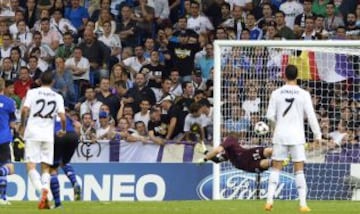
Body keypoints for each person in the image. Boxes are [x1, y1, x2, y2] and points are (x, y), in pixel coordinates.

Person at [265, 65, 321, 212]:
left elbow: (269, 116)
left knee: (276, 168)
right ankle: (303, 204)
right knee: (299, 170)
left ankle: (269, 201)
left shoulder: (276, 93)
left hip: (280, 135)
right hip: (297, 136)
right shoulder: (303, 94)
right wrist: (317, 135)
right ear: (297, 76)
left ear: (284, 75)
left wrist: (276, 126)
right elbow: (311, 116)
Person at [19, 71, 66, 209]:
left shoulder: (32, 93)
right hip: (48, 135)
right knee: (45, 168)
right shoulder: (57, 96)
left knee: (30, 165)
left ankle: (43, 191)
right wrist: (63, 129)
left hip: (33, 133)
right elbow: (63, 117)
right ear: (52, 82)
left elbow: (24, 110)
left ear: (40, 81)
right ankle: (45, 195)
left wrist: (22, 125)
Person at [50, 112, 81, 208]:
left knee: (53, 169)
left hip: (58, 136)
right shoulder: (65, 114)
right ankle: (74, 182)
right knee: (64, 162)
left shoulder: (46, 112)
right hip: (72, 136)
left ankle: (58, 203)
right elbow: (78, 125)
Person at [197, 135, 272, 173]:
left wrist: (205, 157)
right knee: (266, 155)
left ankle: (282, 158)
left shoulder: (229, 140)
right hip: (244, 159)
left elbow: (217, 154)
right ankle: (281, 158)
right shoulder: (228, 152)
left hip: (243, 162)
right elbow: (217, 158)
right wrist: (205, 153)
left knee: (263, 162)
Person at [0, 78, 16, 205]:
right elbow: (12, 123)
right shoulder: (9, 102)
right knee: (8, 168)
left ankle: (2, 198)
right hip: (4, 139)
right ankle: (3, 198)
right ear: (3, 87)